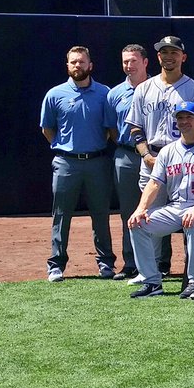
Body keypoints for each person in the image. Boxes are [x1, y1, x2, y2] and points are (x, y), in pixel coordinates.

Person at [126, 35, 194, 277]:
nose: (169, 56)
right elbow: (135, 128)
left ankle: (193, 271)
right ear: (158, 57)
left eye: (174, 52)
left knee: (189, 214)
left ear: (182, 57)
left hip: (184, 160)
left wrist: (182, 154)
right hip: (152, 157)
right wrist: (145, 154)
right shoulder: (144, 88)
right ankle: (150, 272)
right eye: (164, 52)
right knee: (149, 214)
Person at [127, 102, 194, 298]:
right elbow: (154, 184)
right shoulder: (167, 151)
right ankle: (151, 281)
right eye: (180, 118)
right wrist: (140, 209)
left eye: (189, 117)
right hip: (175, 207)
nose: (184, 122)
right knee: (137, 225)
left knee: (193, 221)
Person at [41, 45, 117, 282]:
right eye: (73, 62)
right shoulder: (55, 94)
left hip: (96, 162)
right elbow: (47, 129)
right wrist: (66, 148)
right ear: (67, 66)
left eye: (82, 62)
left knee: (101, 215)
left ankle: (106, 264)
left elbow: (109, 129)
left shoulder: (105, 93)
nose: (77, 66)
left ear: (90, 65)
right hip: (66, 163)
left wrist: (92, 146)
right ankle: (56, 265)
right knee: (61, 215)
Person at [108, 43, 151, 280]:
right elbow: (111, 129)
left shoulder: (157, 87)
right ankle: (130, 262)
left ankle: (160, 262)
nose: (129, 66)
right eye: (125, 61)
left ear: (145, 62)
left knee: (155, 208)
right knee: (128, 211)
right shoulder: (114, 94)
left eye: (133, 61)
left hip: (155, 156)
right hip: (125, 155)